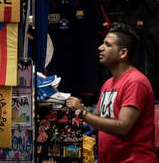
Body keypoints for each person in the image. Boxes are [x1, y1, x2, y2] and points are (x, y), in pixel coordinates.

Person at [66, 22, 158, 163]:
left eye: (108, 45)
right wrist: (74, 105)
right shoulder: (108, 84)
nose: (100, 48)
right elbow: (96, 122)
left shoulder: (135, 82)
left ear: (123, 53)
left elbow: (123, 127)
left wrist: (83, 113)